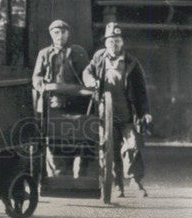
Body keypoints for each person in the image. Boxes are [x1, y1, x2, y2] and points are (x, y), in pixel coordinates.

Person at [82, 23, 152, 197]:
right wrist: (91, 81)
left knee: (132, 147)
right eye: (111, 41)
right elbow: (87, 72)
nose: (114, 45)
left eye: (117, 41)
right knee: (109, 150)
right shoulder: (99, 58)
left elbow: (141, 90)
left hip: (128, 114)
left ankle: (136, 182)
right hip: (105, 115)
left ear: (122, 43)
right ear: (106, 43)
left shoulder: (131, 62)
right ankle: (117, 185)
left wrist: (145, 112)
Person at [32, 19, 89, 175]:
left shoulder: (78, 51)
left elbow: (86, 73)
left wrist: (89, 83)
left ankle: (75, 170)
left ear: (68, 34)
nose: (60, 36)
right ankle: (59, 172)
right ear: (51, 34)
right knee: (53, 136)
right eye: (56, 32)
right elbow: (36, 77)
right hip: (52, 101)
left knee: (75, 134)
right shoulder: (43, 54)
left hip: (75, 100)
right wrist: (41, 86)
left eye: (63, 32)